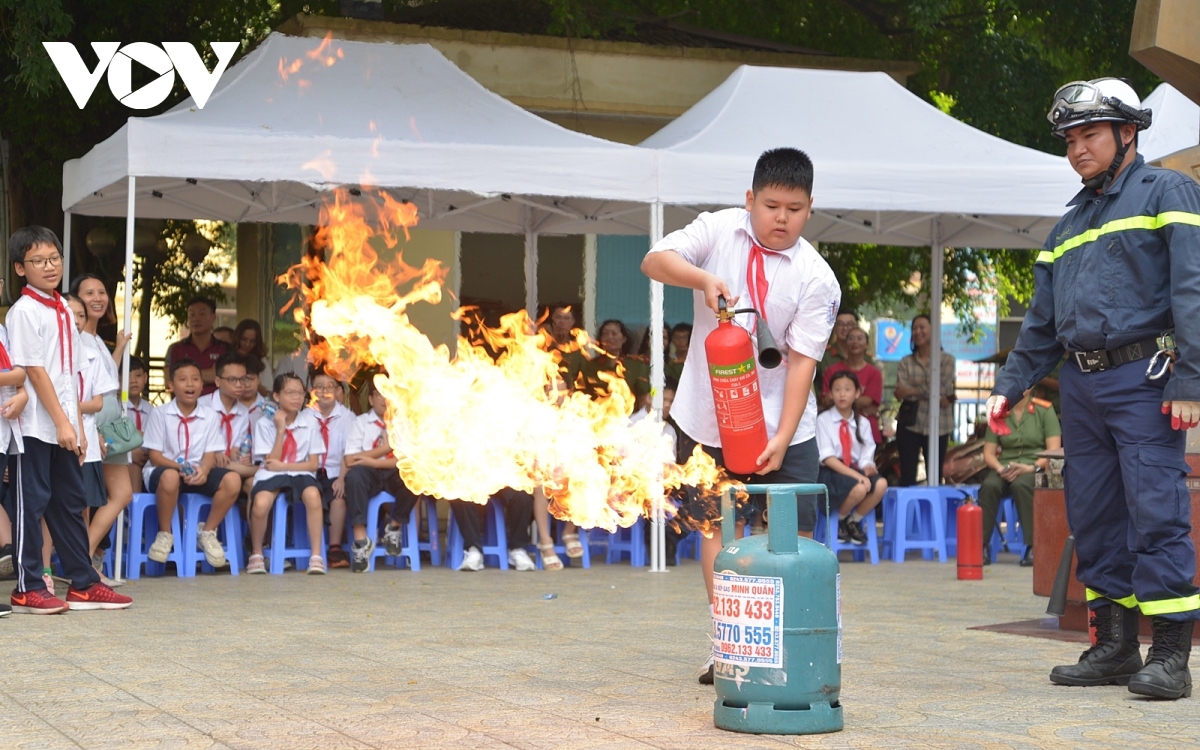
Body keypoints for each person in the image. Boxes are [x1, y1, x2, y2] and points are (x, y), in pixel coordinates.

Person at [987, 78, 1200, 699]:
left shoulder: (1171, 193)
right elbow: (1041, 325)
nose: (1078, 149)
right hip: (1081, 385)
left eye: (1090, 135)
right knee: (1096, 516)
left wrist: (1191, 376)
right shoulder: (1068, 224)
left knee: (1156, 511)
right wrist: (1009, 386)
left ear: (1127, 133)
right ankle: (1113, 646)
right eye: (1070, 139)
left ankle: (1169, 656)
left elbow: (1193, 290)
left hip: (1146, 378)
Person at [641, 147, 840, 684]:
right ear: (749, 199)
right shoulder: (720, 230)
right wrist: (701, 281)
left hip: (786, 426)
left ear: (810, 207)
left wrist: (780, 435)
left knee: (789, 537)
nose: (781, 218)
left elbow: (802, 363)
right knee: (717, 528)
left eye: (794, 208)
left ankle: (784, 645)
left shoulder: (816, 277)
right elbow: (655, 260)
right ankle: (726, 639)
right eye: (771, 204)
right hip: (709, 416)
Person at [6, 226, 130, 613]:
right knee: (33, 503)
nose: (49, 266)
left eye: (54, 259)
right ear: (20, 268)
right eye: (38, 261)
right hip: (32, 428)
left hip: (63, 426)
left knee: (71, 500)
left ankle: (83, 582)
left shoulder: (62, 308)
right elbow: (35, 372)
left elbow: (70, 377)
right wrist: (61, 424)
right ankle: (26, 587)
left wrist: (76, 429)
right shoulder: (24, 311)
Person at [142, 358, 243, 569]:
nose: (190, 384)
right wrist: (180, 468)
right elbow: (155, 456)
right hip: (165, 470)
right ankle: (165, 534)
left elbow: (210, 452)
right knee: (169, 476)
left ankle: (207, 531)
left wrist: (205, 470)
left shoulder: (209, 415)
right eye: (183, 380)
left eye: (195, 379)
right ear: (171, 385)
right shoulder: (160, 414)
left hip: (197, 470)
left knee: (232, 480)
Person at [69, 274, 134, 580]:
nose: (98, 298)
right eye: (89, 293)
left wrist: (119, 348)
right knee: (94, 499)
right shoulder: (77, 337)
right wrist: (89, 429)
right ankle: (82, 564)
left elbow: (105, 380)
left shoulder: (96, 339)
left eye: (102, 292)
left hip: (110, 427)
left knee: (121, 493)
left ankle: (84, 561)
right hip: (92, 427)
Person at [65, 294, 120, 586]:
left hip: (91, 434)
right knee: (55, 508)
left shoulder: (92, 346)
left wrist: (88, 426)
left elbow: (99, 399)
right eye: (71, 313)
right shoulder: (58, 347)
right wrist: (73, 411)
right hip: (62, 437)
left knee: (84, 504)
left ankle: (83, 567)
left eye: (81, 315)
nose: (76, 320)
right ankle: (50, 572)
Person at [247, 373, 326, 575]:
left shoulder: (310, 422)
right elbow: (270, 462)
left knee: (313, 496)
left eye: (300, 393)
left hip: (300, 471)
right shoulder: (265, 423)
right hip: (271, 474)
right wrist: (280, 430)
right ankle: (257, 552)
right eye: (290, 392)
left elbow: (313, 464)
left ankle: (316, 555)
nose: (297, 398)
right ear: (276, 396)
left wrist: (283, 467)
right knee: (261, 503)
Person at [340, 378, 419, 573]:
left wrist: (370, 459)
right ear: (371, 398)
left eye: (390, 393)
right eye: (380, 394)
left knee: (416, 475)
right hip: (369, 474)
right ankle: (361, 542)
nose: (385, 399)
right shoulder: (360, 423)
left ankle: (394, 527)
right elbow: (350, 460)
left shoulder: (404, 424)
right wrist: (386, 448)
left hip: (394, 471)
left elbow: (408, 460)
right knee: (354, 477)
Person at [980, 389, 1060, 567]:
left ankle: (1033, 547)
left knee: (1021, 486)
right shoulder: (998, 411)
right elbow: (989, 453)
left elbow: (1053, 452)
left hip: (1034, 466)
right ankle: (981, 546)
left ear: (1030, 387)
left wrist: (1031, 467)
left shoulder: (1044, 410)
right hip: (1006, 467)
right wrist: (1001, 469)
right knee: (989, 486)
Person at [816, 371, 887, 545]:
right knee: (860, 488)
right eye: (837, 389)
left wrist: (867, 466)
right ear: (830, 394)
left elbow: (866, 453)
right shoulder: (823, 420)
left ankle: (851, 520)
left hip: (855, 469)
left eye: (847, 389)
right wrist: (858, 476)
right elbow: (827, 458)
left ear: (857, 393)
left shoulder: (863, 422)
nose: (842, 394)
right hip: (831, 472)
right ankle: (839, 521)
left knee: (881, 484)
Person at [894, 314, 956, 486]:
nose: (918, 332)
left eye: (922, 327)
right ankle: (909, 512)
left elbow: (941, 388)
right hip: (909, 423)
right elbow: (900, 392)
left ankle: (932, 512)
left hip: (939, 424)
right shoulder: (906, 361)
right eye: (914, 328)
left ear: (933, 331)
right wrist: (934, 395)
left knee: (935, 475)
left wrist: (913, 390)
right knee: (907, 475)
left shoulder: (947, 360)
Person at [307, 370, 354, 568]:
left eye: (329, 387)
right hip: (310, 471)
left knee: (338, 496)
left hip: (336, 471)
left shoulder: (348, 417)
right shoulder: (304, 416)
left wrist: (342, 478)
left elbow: (348, 451)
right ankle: (314, 549)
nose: (324, 391)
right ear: (311, 390)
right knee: (311, 494)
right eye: (319, 387)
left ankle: (334, 547)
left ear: (337, 390)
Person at [207, 353, 257, 499]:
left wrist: (242, 458)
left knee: (256, 485)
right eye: (232, 380)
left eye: (243, 379)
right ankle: (259, 470)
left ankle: (248, 523)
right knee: (260, 472)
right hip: (205, 467)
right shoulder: (203, 406)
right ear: (217, 381)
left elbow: (235, 450)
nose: (239, 384)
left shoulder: (243, 412)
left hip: (231, 466)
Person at [823, 327, 884, 445]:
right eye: (851, 338)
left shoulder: (874, 373)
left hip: (866, 431)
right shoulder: (832, 370)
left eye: (860, 338)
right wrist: (860, 405)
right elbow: (826, 400)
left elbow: (868, 401)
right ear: (845, 344)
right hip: (834, 430)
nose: (855, 342)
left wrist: (838, 401)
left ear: (867, 344)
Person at [449, 490, 536, 571]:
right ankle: (473, 550)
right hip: (474, 480)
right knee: (461, 495)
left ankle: (517, 549)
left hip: (504, 481)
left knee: (522, 497)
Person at [165, 297, 228, 396]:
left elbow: (228, 379)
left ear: (213, 317)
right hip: (184, 408)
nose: (196, 318)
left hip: (217, 408)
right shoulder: (175, 349)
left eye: (202, 314)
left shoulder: (225, 348)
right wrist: (210, 375)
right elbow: (168, 382)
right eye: (191, 315)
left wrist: (183, 377)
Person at [125, 357, 152, 494]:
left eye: (138, 375)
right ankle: (133, 511)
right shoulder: (118, 409)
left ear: (145, 377)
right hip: (124, 463)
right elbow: (109, 441)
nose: (133, 380)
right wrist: (130, 454)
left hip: (150, 459)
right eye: (127, 375)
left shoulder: (152, 410)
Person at [234, 319, 273, 398]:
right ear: (237, 338)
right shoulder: (228, 358)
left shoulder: (262, 362)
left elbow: (268, 392)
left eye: (252, 341)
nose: (247, 344)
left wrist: (253, 382)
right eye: (244, 339)